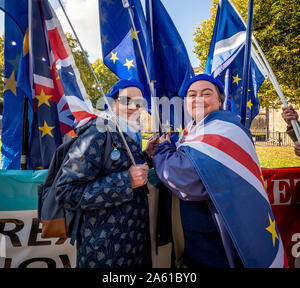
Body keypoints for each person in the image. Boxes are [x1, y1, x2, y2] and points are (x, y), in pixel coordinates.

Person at [153, 74, 285, 268]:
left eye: (206, 93)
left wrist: (162, 151)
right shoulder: (192, 129)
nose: (198, 99)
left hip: (216, 238)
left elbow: (186, 180)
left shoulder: (225, 130)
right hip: (194, 237)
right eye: (192, 94)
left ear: (220, 100)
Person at [54, 79, 158, 268]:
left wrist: (147, 156)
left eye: (139, 103)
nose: (134, 106)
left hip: (134, 244)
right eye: (126, 100)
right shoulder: (97, 133)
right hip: (105, 250)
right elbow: (67, 192)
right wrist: (126, 181)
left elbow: (120, 166)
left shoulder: (128, 133)